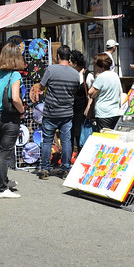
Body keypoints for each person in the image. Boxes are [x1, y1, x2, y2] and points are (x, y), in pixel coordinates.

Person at [33, 46, 81, 179]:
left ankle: (45, 169)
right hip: (67, 113)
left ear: (58, 56)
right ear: (69, 57)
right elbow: (75, 90)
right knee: (66, 141)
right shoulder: (75, 74)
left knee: (47, 140)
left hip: (50, 112)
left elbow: (42, 86)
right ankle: (65, 169)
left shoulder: (51, 69)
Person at [0, 43, 25, 198]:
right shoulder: (15, 75)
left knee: (2, 150)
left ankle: (4, 180)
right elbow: (16, 98)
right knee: (6, 152)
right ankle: (2, 188)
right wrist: (22, 111)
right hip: (10, 117)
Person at [87, 53, 124, 131]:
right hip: (115, 111)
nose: (95, 67)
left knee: (104, 138)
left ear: (101, 65)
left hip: (103, 113)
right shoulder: (115, 75)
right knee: (114, 136)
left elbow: (91, 92)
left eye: (96, 64)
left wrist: (96, 77)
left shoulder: (101, 77)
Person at [70, 49, 92, 152]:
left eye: (70, 62)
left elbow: (92, 94)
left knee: (80, 135)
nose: (68, 64)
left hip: (82, 111)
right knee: (70, 134)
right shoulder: (70, 74)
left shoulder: (87, 75)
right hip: (71, 110)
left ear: (75, 63)